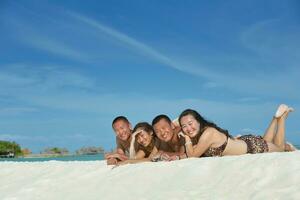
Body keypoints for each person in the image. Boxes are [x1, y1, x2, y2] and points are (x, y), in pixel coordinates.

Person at [178, 104, 295, 158]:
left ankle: (282, 118)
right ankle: (275, 118)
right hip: (245, 142)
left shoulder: (208, 133)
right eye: (184, 126)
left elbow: (192, 155)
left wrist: (187, 138)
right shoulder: (204, 133)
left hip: (252, 147)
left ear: (199, 121)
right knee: (266, 142)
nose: (188, 128)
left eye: (190, 123)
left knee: (278, 148)